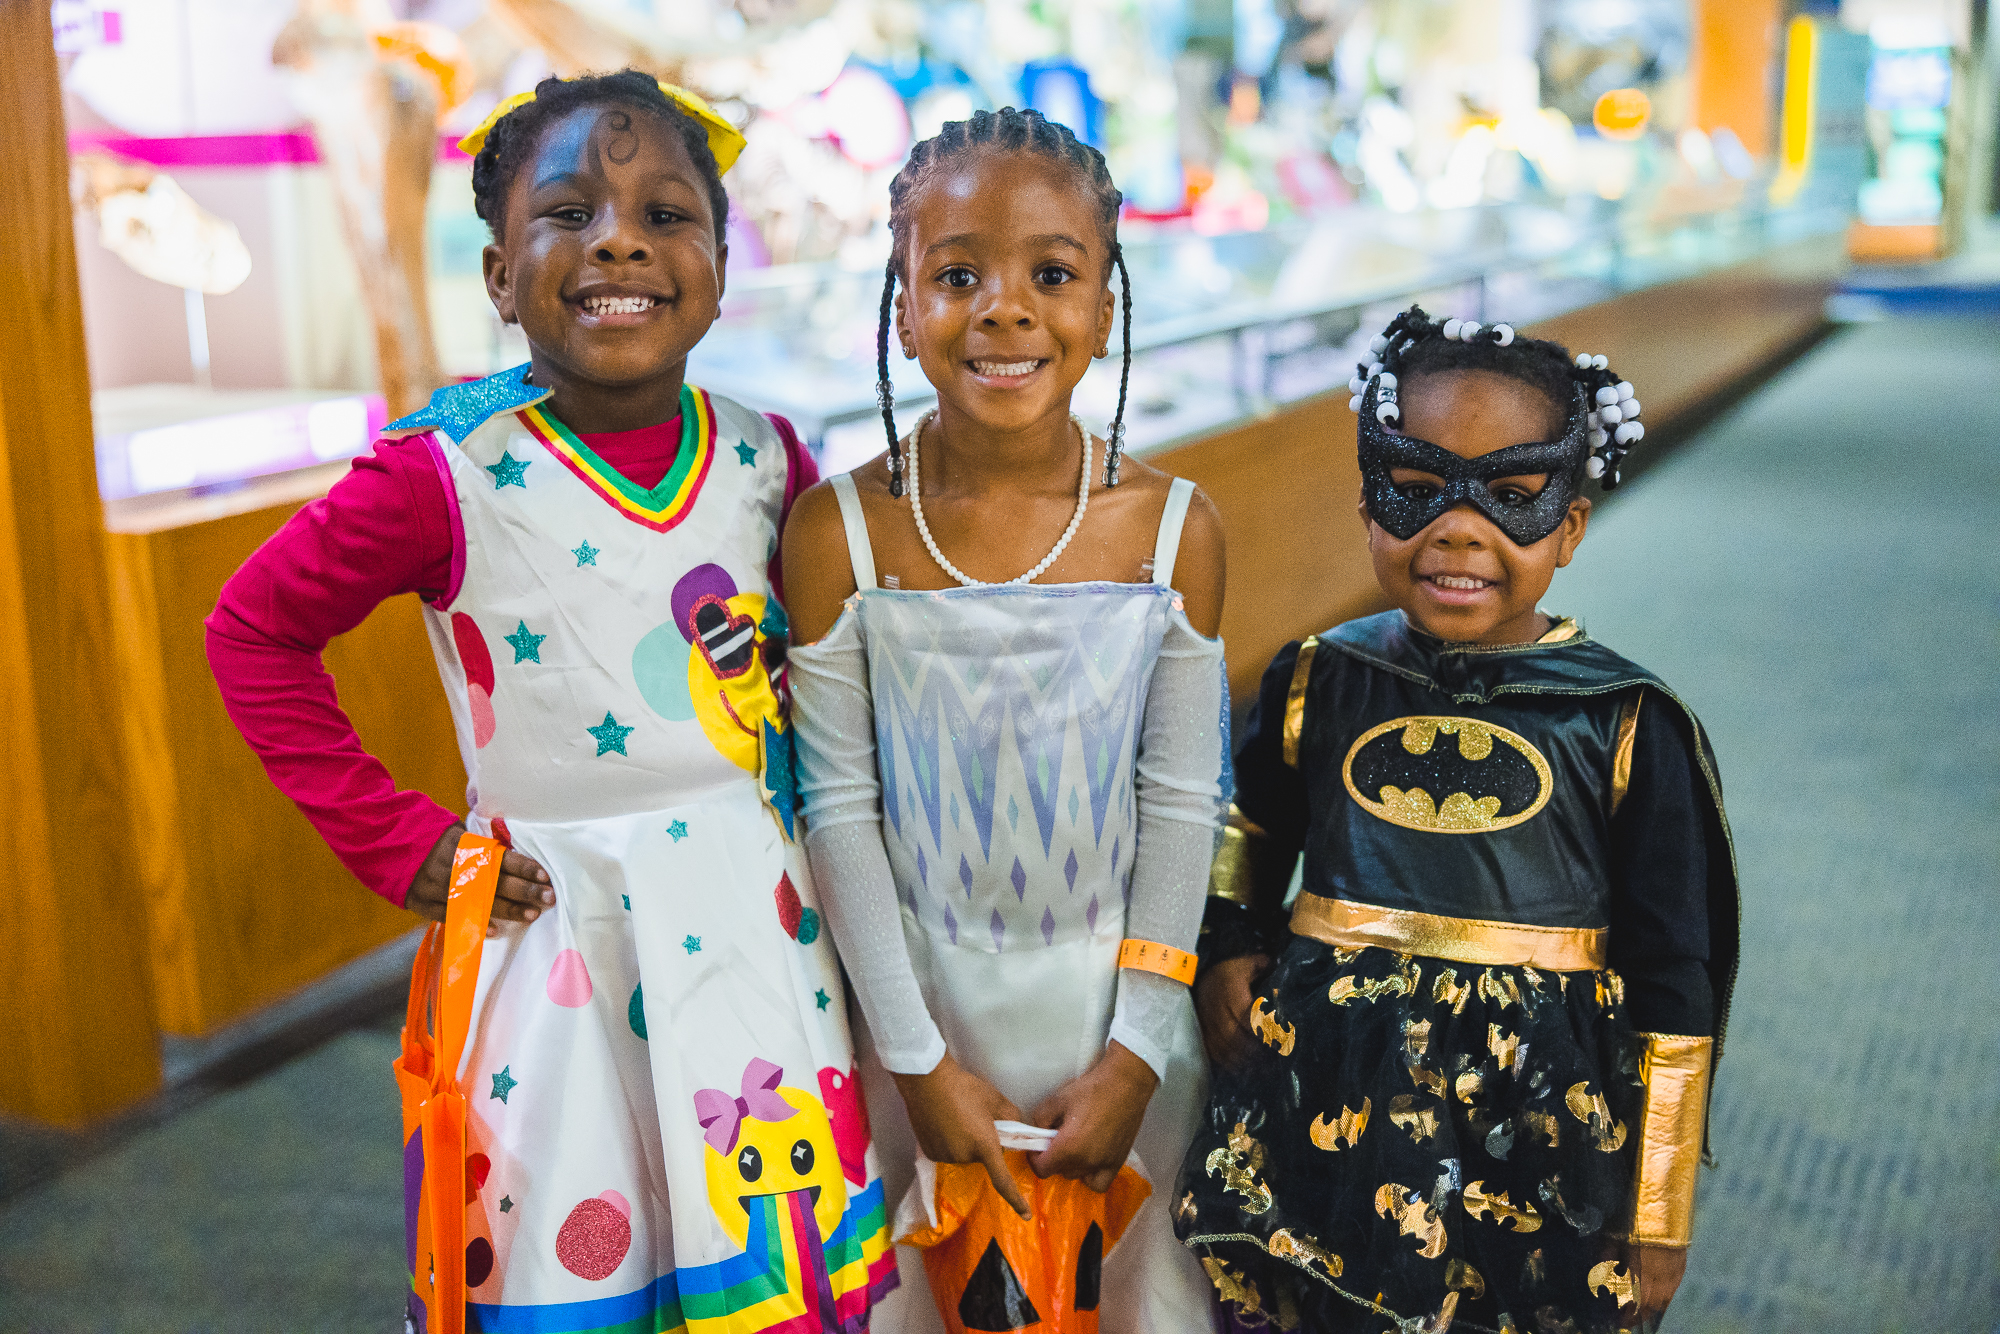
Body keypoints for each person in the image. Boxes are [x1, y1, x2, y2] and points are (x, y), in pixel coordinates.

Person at [206, 71, 896, 1333]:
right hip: (563, 941)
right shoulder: (442, 473)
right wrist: (396, 837)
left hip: (757, 928)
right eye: (568, 212)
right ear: (494, 272)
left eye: (664, 213)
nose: (618, 240)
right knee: (574, 1249)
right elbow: (253, 629)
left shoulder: (771, 456)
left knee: (769, 1248)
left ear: (723, 259)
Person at [1175, 307, 1738, 1334]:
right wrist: (1227, 947)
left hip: (1527, 1120)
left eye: (1513, 499)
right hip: (1328, 1087)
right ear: (1366, 503)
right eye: (1417, 491)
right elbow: (1243, 837)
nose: (1459, 530)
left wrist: (1656, 1204)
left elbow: (1675, 971)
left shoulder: (1619, 720)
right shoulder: (1317, 677)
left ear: (1568, 526)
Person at [781, 107, 1230, 1331]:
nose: (1004, 309)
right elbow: (839, 804)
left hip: (1115, 1012)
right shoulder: (841, 535)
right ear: (899, 304)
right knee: (936, 1290)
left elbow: (1183, 800)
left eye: (1050, 274)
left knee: (1124, 1285)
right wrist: (916, 1059)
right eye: (956, 275)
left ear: (1104, 302)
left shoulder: (1174, 529)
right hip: (920, 1009)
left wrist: (1139, 1046)